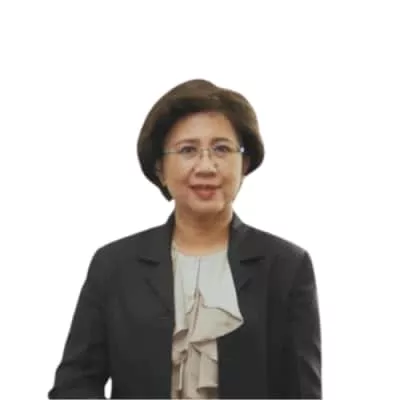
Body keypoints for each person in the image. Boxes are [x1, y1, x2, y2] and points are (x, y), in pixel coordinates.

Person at [48, 79, 321, 399]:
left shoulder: (286, 267)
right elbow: (75, 385)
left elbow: (302, 392)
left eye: (221, 149)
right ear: (160, 169)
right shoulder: (114, 265)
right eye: (188, 150)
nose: (206, 166)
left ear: (244, 164)